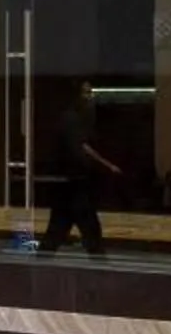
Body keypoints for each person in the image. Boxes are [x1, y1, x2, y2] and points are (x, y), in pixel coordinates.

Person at [43, 90, 120, 258]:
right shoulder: (71, 120)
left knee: (60, 228)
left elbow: (83, 148)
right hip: (74, 184)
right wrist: (104, 166)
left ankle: (40, 264)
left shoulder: (73, 120)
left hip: (70, 185)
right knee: (87, 227)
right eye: (86, 93)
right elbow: (81, 149)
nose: (90, 98)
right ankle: (99, 263)